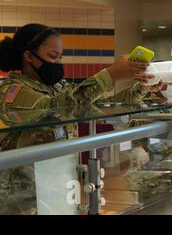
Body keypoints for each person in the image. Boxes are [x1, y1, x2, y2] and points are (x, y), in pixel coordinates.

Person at [0, 23, 163, 214]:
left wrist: (141, 89)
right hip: (21, 194)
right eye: (53, 57)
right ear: (28, 56)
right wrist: (109, 75)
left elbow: (98, 107)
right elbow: (52, 107)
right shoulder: (12, 91)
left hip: (58, 184)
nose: (59, 63)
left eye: (60, 57)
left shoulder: (57, 87)